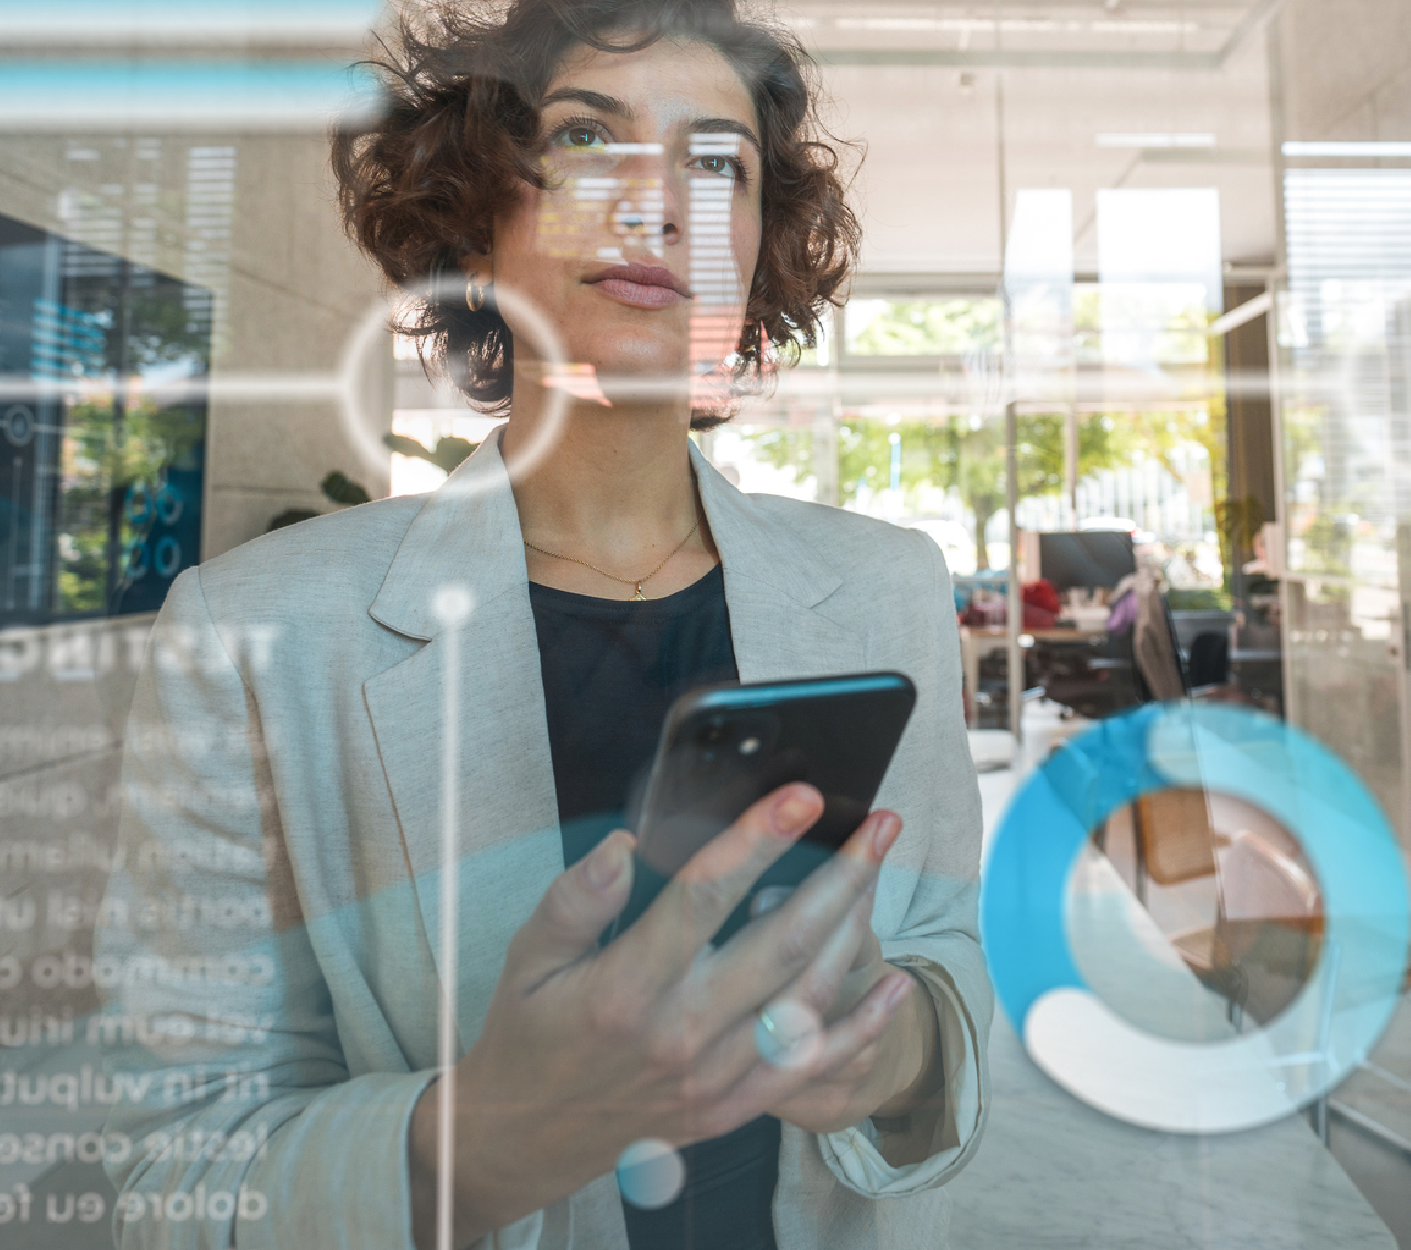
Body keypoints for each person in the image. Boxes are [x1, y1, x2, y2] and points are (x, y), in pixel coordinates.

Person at [94, 2, 991, 1248]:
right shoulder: (255, 634)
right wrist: (488, 1139)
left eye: (717, 161)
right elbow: (169, 1174)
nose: (655, 204)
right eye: (585, 139)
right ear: (479, 212)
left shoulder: (887, 587)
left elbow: (946, 970)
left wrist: (884, 1052)